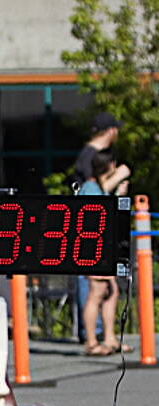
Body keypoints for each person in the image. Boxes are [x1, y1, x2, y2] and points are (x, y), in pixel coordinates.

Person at [79, 148, 132, 355]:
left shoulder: (98, 188)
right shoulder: (91, 188)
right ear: (109, 166)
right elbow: (95, 217)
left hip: (102, 246)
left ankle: (110, 338)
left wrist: (118, 195)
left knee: (111, 291)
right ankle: (91, 342)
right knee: (96, 292)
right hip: (92, 247)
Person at [75, 113, 120, 189]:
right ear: (111, 131)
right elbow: (92, 190)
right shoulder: (87, 156)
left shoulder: (105, 151)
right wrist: (119, 175)